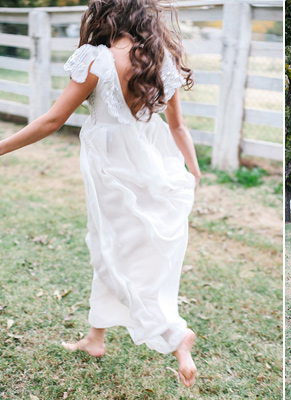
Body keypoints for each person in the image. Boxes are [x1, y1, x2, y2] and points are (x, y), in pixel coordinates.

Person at [0, 0, 200, 387]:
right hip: (154, 167)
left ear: (108, 12)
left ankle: (175, 334)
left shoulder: (97, 59)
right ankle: (96, 337)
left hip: (111, 170)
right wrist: (194, 170)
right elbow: (178, 127)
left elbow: (53, 120)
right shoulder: (160, 59)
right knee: (113, 246)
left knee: (109, 249)